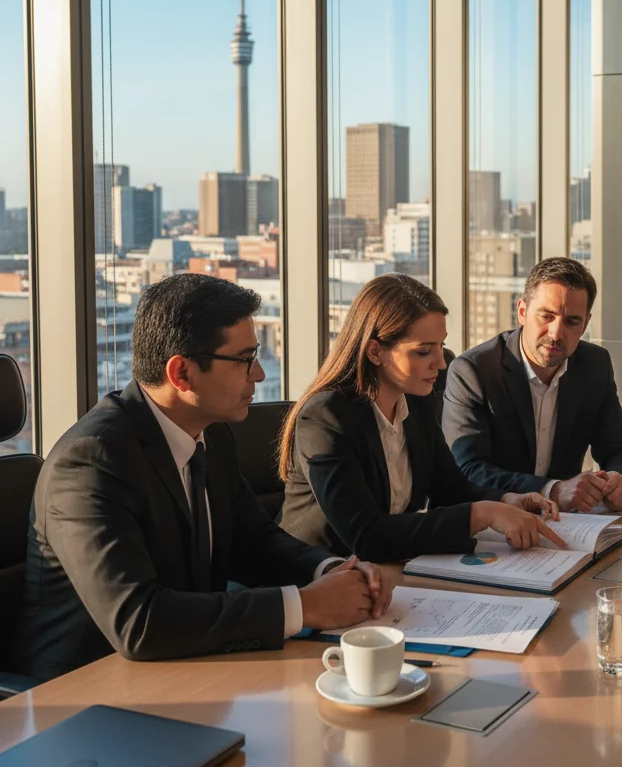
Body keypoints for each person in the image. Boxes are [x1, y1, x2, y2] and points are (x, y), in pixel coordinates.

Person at [13, 274, 391, 683]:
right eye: (245, 359)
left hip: (188, 667)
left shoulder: (210, 433)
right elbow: (139, 622)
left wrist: (333, 570)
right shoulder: (91, 462)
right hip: (85, 697)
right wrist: (304, 607)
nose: (260, 374)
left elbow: (254, 542)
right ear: (182, 374)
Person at [278, 274, 566, 563]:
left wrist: (505, 501)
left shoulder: (417, 399)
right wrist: (483, 513)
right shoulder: (325, 417)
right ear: (375, 351)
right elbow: (366, 536)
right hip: (319, 577)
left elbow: (449, 488)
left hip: (389, 570)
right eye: (424, 351)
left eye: (441, 346)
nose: (441, 364)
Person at [443, 258, 622, 513]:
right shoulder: (473, 371)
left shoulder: (594, 365)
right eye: (547, 316)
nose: (556, 333)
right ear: (523, 312)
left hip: (566, 527)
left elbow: (621, 449)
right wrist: (552, 490)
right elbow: (469, 470)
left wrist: (621, 480)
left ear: (585, 323)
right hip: (493, 527)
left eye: (572, 321)